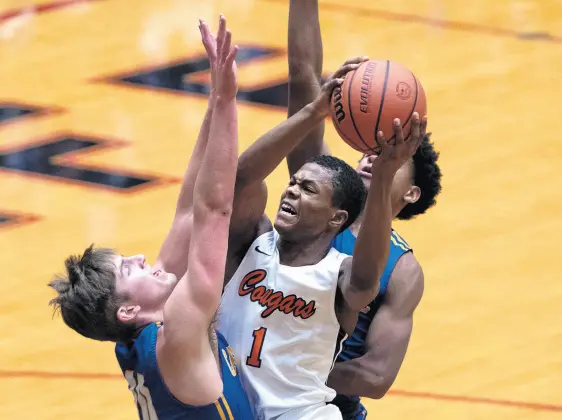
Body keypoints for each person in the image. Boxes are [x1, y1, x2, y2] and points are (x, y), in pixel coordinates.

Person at [48, 16, 254, 420]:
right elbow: (215, 211)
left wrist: (215, 97)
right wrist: (230, 102)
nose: (142, 259)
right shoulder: (177, 334)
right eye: (129, 269)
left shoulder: (141, 334)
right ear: (127, 310)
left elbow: (189, 214)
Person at [218, 46, 428, 418]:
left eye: (308, 189)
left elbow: (368, 276)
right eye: (294, 183)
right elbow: (241, 178)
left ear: (336, 218)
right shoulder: (254, 240)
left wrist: (382, 177)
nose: (292, 190)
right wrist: (316, 110)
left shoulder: (345, 276)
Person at [286, 1, 443, 418]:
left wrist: (288, 362)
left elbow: (375, 377)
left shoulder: (403, 270)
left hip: (323, 405)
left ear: (410, 194)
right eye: (371, 147)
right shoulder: (321, 193)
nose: (375, 156)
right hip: (260, 388)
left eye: (391, 153)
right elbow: (302, 79)